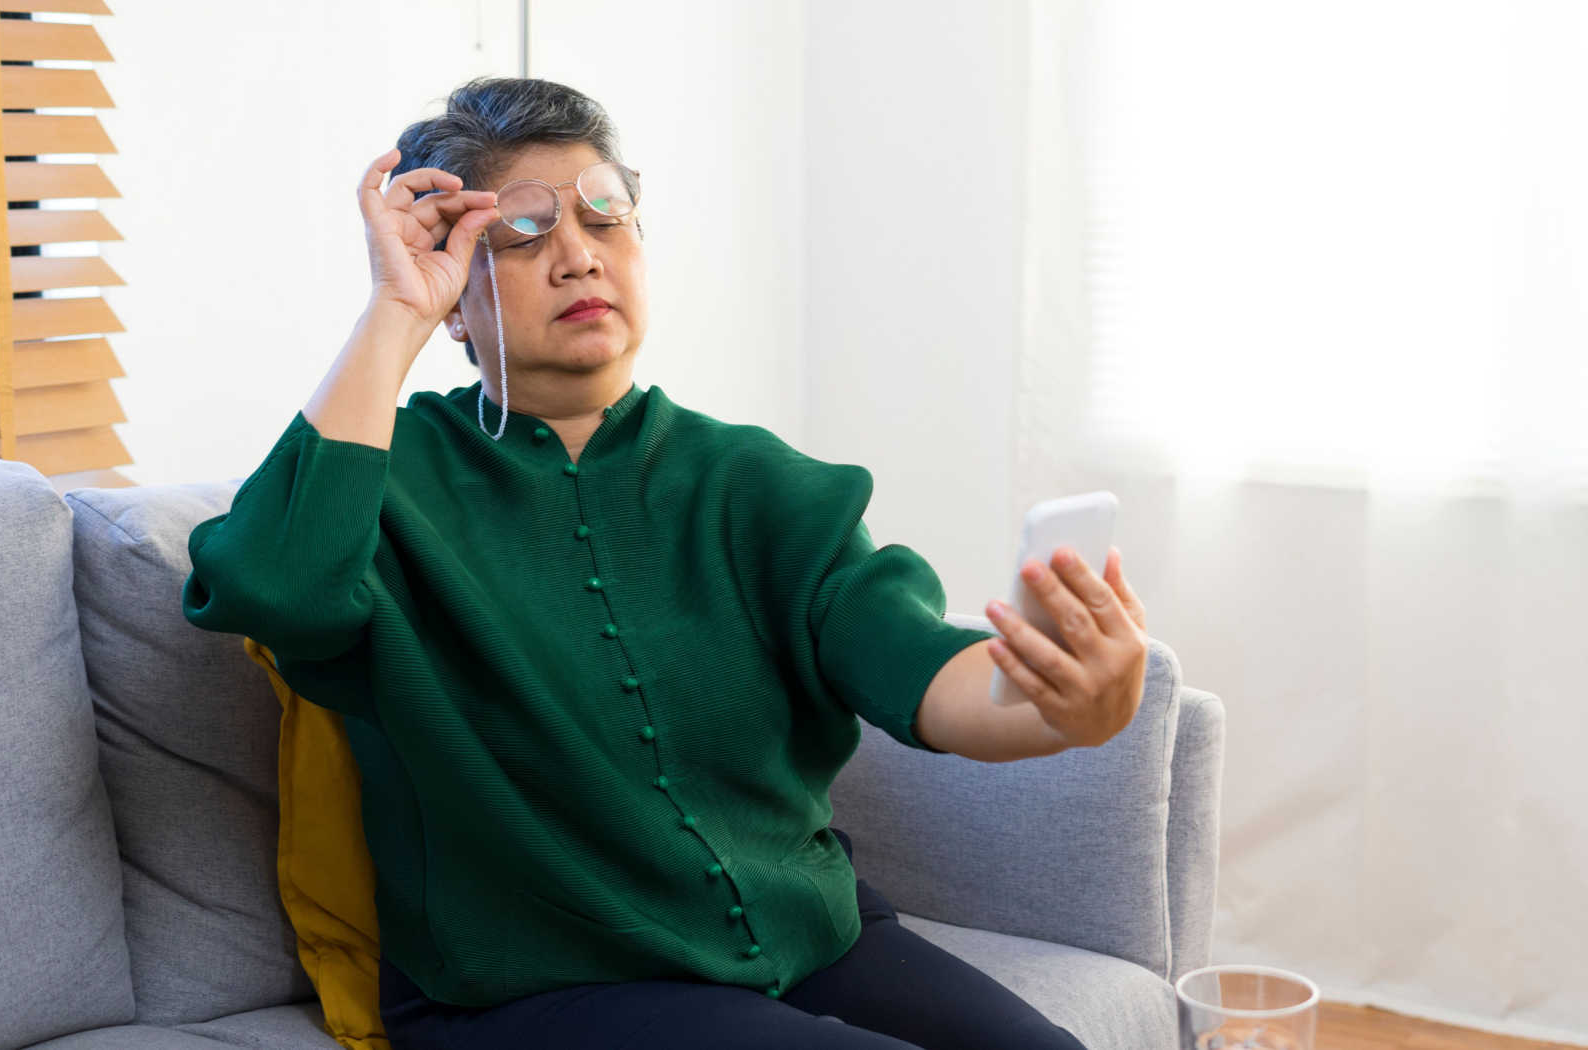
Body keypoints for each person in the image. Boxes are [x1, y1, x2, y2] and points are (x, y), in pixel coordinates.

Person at [183, 75, 1134, 1050]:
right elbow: (270, 588)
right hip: (536, 993)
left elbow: (919, 665)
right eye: (520, 233)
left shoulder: (756, 482)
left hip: (812, 941)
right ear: (455, 296)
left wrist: (1058, 698)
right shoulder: (388, 479)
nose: (578, 257)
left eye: (608, 218)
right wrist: (393, 310)